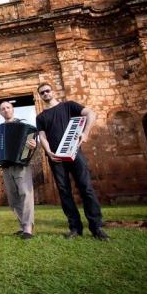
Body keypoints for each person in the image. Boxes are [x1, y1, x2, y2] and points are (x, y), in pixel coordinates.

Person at [35, 83, 109, 241]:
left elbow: (91, 113)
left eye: (48, 91)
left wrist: (86, 133)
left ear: (52, 91)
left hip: (75, 153)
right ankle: (75, 228)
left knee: (86, 188)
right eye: (42, 93)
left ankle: (96, 227)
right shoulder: (40, 117)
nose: (46, 94)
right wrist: (48, 152)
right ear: (40, 97)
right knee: (64, 192)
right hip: (55, 158)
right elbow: (42, 137)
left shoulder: (69, 106)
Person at [0, 101, 37, 239]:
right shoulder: (0, 129)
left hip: (21, 165)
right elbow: (1, 147)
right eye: (3, 109)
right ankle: (22, 225)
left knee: (25, 194)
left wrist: (33, 145)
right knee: (13, 198)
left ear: (12, 109)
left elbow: (33, 143)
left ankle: (27, 228)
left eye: (8, 107)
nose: (6, 110)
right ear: (0, 112)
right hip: (6, 166)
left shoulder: (25, 127)